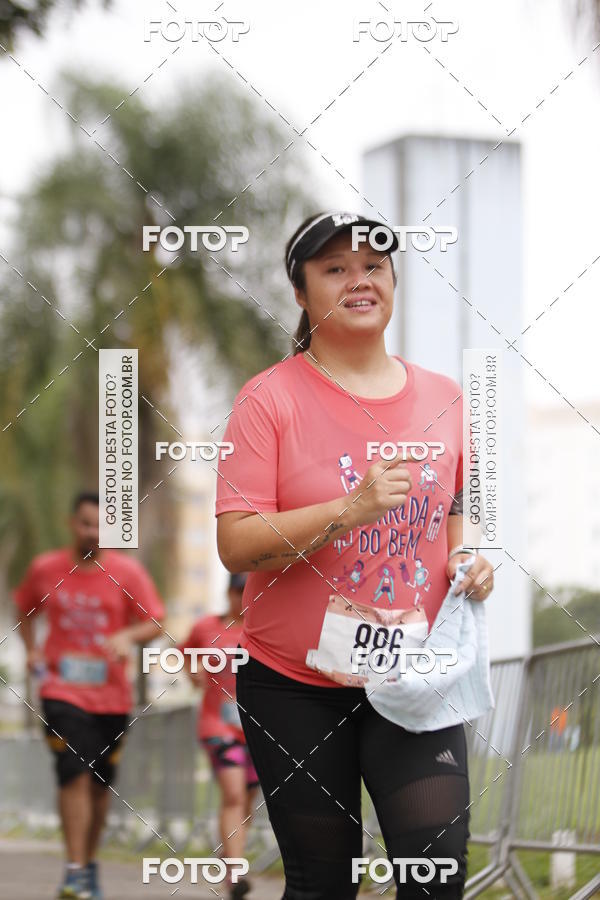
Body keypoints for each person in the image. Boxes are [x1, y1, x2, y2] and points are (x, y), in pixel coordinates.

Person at [215, 211, 495, 899]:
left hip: (413, 677)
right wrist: (350, 509)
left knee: (437, 874)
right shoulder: (267, 400)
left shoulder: (446, 398)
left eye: (373, 266)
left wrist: (471, 561)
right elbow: (236, 542)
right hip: (294, 687)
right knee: (323, 884)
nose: (358, 280)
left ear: (394, 283)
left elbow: (459, 510)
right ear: (302, 293)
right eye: (335, 268)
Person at [14, 491, 165, 900]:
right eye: (85, 523)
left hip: (111, 699)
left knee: (99, 786)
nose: (92, 532)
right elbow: (24, 609)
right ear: (72, 524)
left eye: (100, 525)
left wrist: (127, 635)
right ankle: (75, 870)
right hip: (61, 691)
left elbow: (155, 619)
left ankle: (88, 863)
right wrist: (31, 649)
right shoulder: (46, 569)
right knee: (72, 769)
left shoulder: (128, 574)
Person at [179, 572, 259, 899]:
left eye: (247, 591)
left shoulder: (262, 629)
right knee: (234, 795)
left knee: (247, 801)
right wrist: (194, 674)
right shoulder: (206, 628)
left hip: (256, 729)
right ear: (227, 591)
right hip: (217, 726)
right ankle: (236, 874)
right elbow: (184, 652)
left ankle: (230, 857)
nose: (240, 597)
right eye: (236, 590)